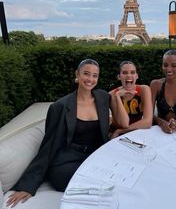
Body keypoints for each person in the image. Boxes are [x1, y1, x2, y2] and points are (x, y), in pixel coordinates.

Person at [6, 59, 128, 207]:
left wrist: (116, 98)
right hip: (67, 160)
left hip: (94, 155)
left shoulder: (103, 97)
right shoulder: (60, 107)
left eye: (95, 75)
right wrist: (28, 185)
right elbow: (48, 145)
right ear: (77, 75)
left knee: (122, 172)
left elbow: (123, 123)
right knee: (71, 178)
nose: (90, 79)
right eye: (86, 74)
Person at [109, 61, 153, 138]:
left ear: (137, 76)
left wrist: (121, 130)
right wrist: (118, 97)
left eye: (132, 72)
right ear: (119, 77)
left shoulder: (144, 90)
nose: (129, 75)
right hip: (116, 135)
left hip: (132, 131)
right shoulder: (113, 94)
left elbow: (148, 122)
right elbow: (123, 124)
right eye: (125, 72)